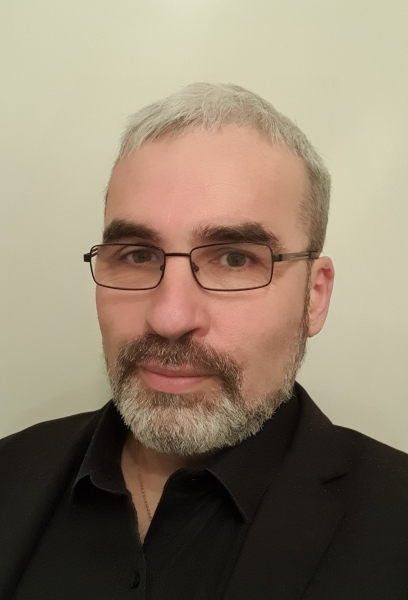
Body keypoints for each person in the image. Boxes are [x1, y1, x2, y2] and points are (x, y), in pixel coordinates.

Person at [1, 83, 408, 600]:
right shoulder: (10, 473)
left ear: (314, 296)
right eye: (137, 255)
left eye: (235, 259)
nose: (170, 317)